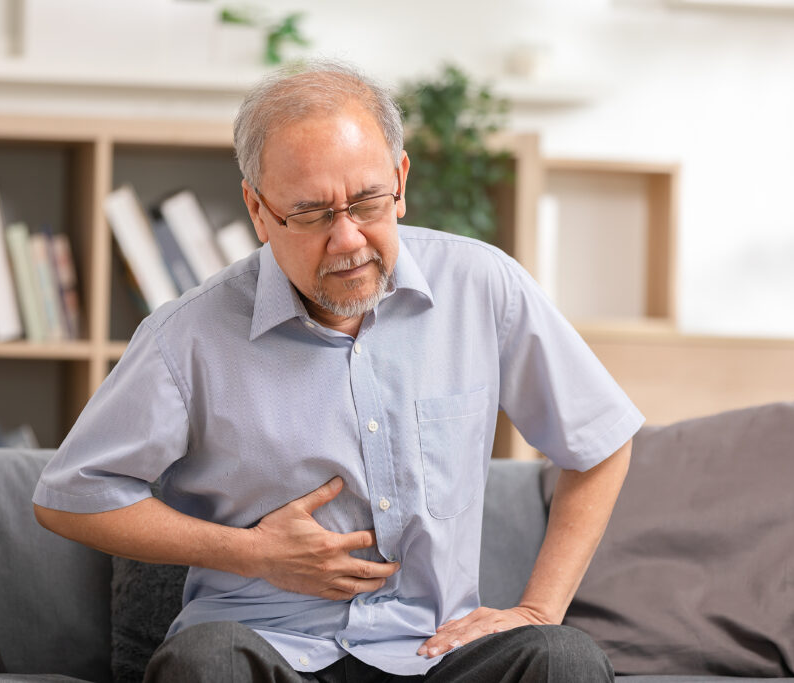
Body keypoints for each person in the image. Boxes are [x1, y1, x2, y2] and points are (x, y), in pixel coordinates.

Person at [32, 60, 644, 683]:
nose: (349, 239)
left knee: (560, 657)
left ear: (401, 181)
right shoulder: (187, 334)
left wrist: (537, 608)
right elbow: (72, 497)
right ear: (258, 209)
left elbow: (599, 443)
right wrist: (254, 552)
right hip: (267, 649)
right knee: (205, 663)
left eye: (367, 201)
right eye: (312, 214)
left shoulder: (483, 286)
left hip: (432, 653)